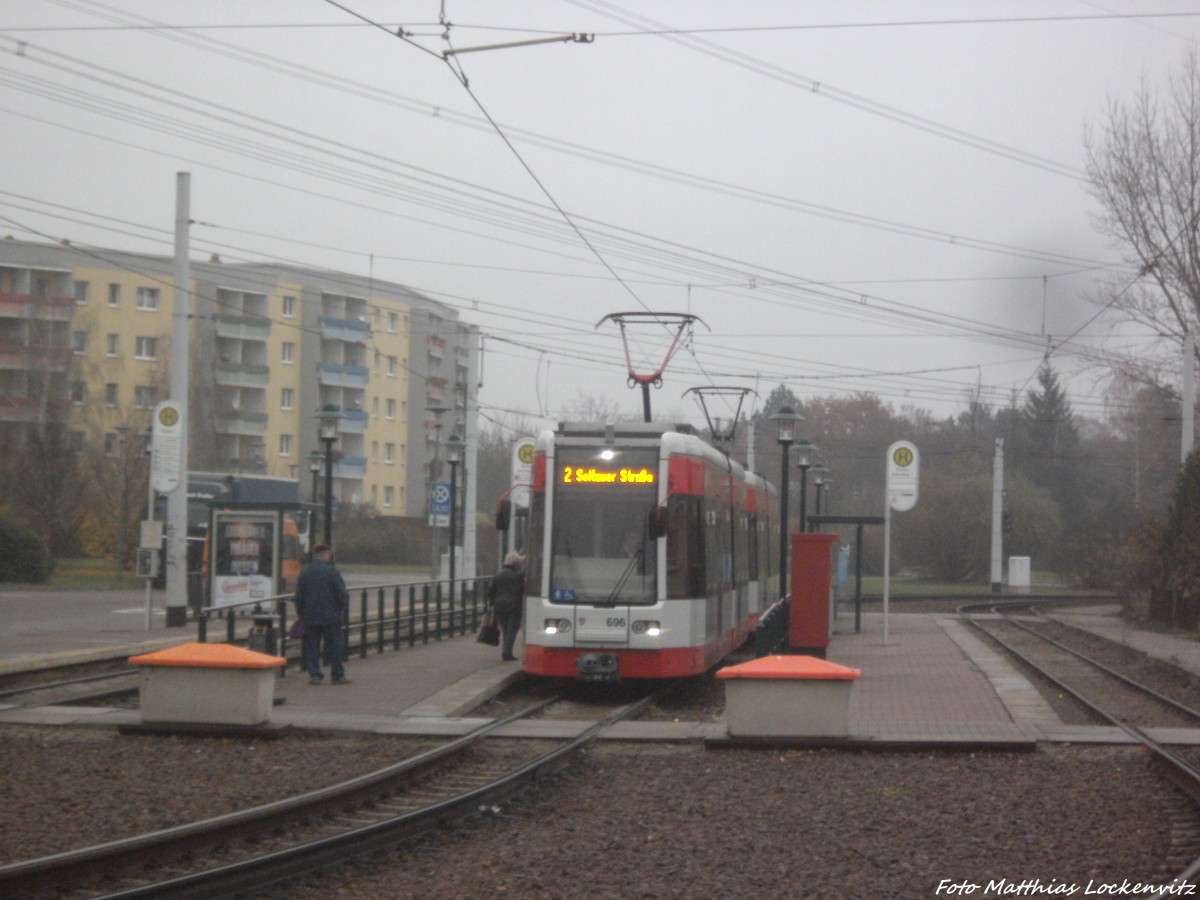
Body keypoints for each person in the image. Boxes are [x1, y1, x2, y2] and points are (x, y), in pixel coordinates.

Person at [294, 543, 351, 685]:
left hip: (310, 615)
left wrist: (300, 613)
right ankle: (337, 674)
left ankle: (315, 675)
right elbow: (342, 593)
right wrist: (342, 608)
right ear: (325, 554)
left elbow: (299, 596)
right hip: (331, 615)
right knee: (334, 645)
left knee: (312, 645)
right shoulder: (332, 571)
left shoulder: (305, 571)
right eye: (329, 554)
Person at [488, 551, 526, 662]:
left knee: (505, 630)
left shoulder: (498, 575)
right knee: (512, 630)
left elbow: (491, 591)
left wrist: (492, 603)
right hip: (514, 607)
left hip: (499, 606)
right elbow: (523, 590)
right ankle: (507, 653)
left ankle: (506, 651)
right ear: (516, 563)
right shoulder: (519, 575)